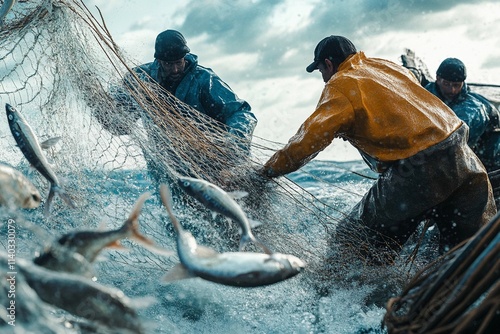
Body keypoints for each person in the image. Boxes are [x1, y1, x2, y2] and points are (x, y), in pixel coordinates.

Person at [260, 35, 496, 264]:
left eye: (321, 71)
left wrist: (267, 171)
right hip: (465, 161)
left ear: (329, 64)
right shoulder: (386, 67)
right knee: (471, 257)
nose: (323, 78)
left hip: (418, 171)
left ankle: (346, 301)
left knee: (349, 244)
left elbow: (308, 141)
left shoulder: (341, 85)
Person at [96, 29, 257, 187]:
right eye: (168, 64)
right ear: (158, 60)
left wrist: (233, 149)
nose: (174, 69)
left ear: (185, 57)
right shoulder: (140, 81)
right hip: (169, 173)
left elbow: (241, 113)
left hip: (213, 167)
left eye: (178, 62)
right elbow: (120, 125)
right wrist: (95, 100)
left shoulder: (204, 80)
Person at [424, 58, 500, 172]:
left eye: (456, 85)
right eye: (447, 84)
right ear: (438, 79)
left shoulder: (473, 109)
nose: (452, 90)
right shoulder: (421, 97)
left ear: (463, 83)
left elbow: (455, 144)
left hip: (487, 157)